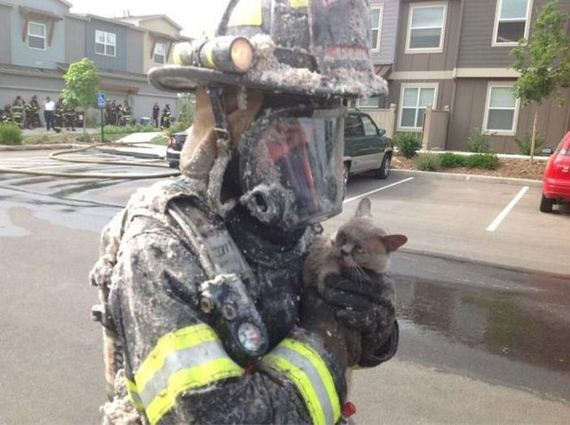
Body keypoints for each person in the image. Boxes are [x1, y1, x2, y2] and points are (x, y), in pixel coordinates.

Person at [90, 1, 397, 424]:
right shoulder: (162, 248)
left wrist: (375, 326)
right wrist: (325, 340)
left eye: (320, 132)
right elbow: (218, 417)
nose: (303, 151)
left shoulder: (296, 232)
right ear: (228, 120)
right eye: (286, 130)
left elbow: (358, 345)